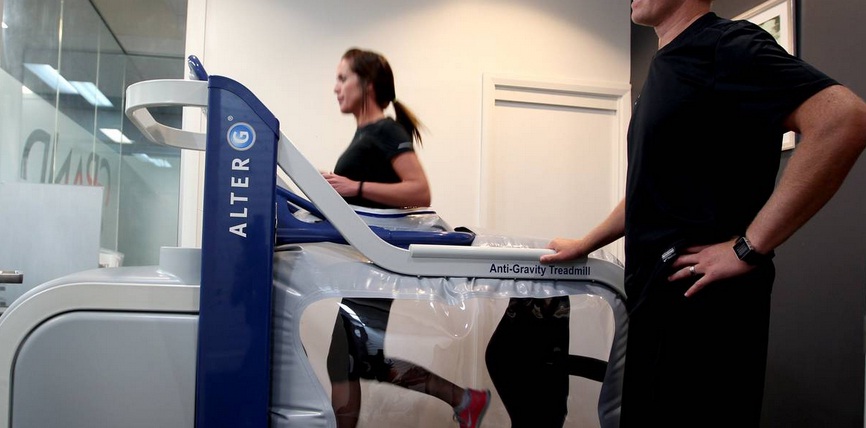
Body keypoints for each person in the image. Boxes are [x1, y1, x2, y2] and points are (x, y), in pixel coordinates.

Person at [539, 1, 866, 427]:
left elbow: (845, 119)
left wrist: (747, 247)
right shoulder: (664, 66)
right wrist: (586, 242)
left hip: (703, 314)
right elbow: (650, 189)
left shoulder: (726, 45)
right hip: (655, 305)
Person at [323, 48, 490, 428]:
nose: (335, 88)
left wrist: (352, 185)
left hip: (380, 263)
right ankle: (465, 399)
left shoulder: (385, 130)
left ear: (366, 84)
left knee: (348, 358)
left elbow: (419, 191)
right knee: (360, 358)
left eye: (342, 78)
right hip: (367, 263)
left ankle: (465, 399)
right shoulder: (367, 134)